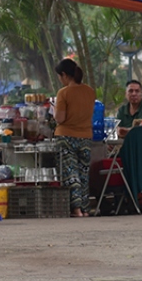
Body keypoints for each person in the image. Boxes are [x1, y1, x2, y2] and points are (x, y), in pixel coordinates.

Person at [52, 58, 97, 217]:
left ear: (64, 75)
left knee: (70, 173)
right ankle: (85, 209)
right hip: (85, 137)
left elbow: (60, 118)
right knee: (83, 172)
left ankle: (75, 209)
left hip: (66, 137)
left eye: (60, 76)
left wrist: (54, 112)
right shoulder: (90, 91)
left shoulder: (63, 93)